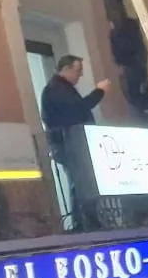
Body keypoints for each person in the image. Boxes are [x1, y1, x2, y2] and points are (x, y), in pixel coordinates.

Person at [40, 55, 112, 231]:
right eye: (78, 71)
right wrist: (99, 91)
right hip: (69, 144)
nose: (80, 76)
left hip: (73, 143)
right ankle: (84, 222)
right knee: (79, 183)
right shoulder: (56, 89)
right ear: (66, 69)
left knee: (81, 182)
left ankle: (86, 221)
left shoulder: (60, 88)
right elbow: (78, 109)